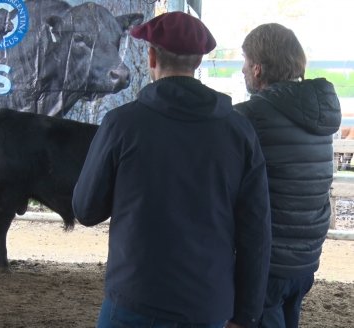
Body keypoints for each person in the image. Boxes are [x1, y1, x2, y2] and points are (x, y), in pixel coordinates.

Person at [72, 12, 272, 328]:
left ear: (151, 56)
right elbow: (256, 233)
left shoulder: (122, 124)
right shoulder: (240, 132)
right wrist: (246, 313)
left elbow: (85, 209)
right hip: (207, 305)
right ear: (198, 62)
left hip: (135, 298)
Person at [234, 23, 342, 328]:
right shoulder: (319, 114)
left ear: (257, 69)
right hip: (305, 261)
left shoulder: (251, 115)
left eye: (244, 62)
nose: (242, 70)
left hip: (266, 263)